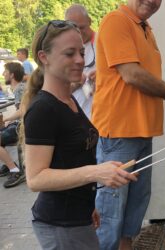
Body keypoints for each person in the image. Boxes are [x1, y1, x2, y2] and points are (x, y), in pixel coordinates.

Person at [92, 0, 165, 249]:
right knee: (110, 213)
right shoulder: (117, 20)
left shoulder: (146, 28)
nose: (152, 1)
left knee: (134, 209)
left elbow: (145, 77)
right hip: (119, 134)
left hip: (142, 132)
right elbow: (131, 74)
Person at [21, 20, 138, 249]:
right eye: (69, 53)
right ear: (44, 57)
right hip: (59, 224)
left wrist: (88, 205)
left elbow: (70, 159)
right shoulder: (43, 109)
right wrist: (96, 172)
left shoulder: (68, 99)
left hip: (78, 217)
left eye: (82, 52)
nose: (79, 60)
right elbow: (35, 179)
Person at [65, 4, 96, 119]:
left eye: (82, 27)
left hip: (98, 118)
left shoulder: (102, 42)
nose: (78, 32)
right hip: (73, 116)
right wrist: (77, 84)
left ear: (89, 21)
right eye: (73, 28)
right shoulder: (63, 48)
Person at [0, 62, 26, 188]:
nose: (3, 74)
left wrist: (6, 118)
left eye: (5, 72)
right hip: (20, 124)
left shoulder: (20, 89)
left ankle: (15, 170)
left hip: (24, 127)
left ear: (12, 75)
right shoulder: (18, 88)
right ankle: (8, 163)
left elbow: (23, 110)